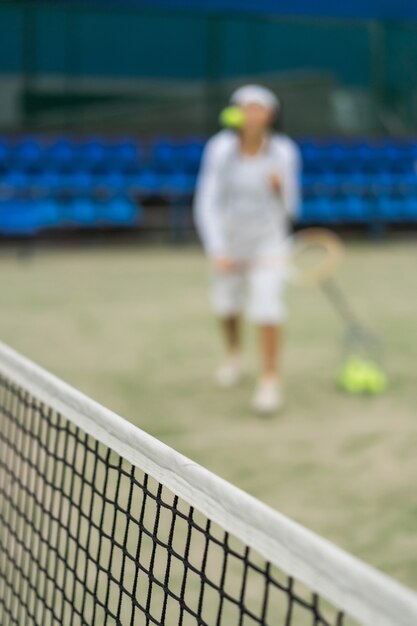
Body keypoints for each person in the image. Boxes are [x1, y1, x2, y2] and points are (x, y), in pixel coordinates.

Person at [194, 85, 301, 414]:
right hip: (229, 242)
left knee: (267, 306)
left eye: (258, 108)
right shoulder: (219, 149)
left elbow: (291, 209)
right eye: (245, 107)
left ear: (270, 114)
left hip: (270, 243)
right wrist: (217, 248)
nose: (252, 114)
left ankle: (269, 380)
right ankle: (234, 355)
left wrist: (280, 189)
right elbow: (206, 202)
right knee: (226, 306)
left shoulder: (285, 152)